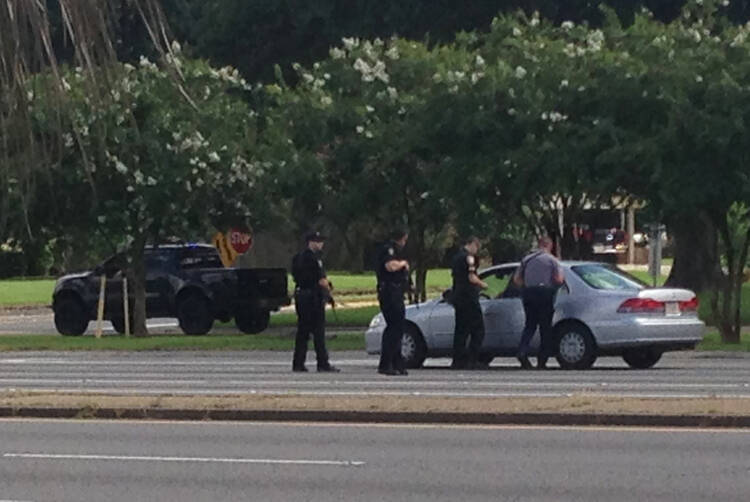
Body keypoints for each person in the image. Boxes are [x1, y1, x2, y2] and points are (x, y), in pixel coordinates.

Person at [513, 236, 565, 369]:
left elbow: (517, 280)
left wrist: (527, 286)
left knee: (530, 325)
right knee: (545, 328)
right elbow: (559, 280)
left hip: (529, 293)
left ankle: (522, 351)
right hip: (545, 294)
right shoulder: (552, 260)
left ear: (539, 245)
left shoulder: (526, 259)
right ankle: (542, 360)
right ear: (550, 246)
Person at [291, 231, 340, 373]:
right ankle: (322, 363)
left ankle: (298, 363)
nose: (321, 244)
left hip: (301, 296)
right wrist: (329, 288)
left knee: (303, 332)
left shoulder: (297, 257)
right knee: (318, 332)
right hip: (313, 298)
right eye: (318, 241)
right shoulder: (314, 259)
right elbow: (321, 280)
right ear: (311, 242)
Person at [450, 236, 489, 370]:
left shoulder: (456, 258)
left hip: (458, 297)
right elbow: (471, 277)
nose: (476, 251)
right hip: (469, 298)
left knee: (461, 330)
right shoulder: (469, 258)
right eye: (477, 247)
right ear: (472, 244)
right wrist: (483, 284)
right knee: (478, 330)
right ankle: (472, 359)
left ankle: (457, 360)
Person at [376, 228, 410, 376]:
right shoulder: (389, 250)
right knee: (394, 328)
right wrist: (402, 264)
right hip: (389, 292)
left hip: (396, 291)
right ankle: (386, 364)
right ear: (402, 238)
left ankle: (397, 363)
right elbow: (390, 267)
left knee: (398, 328)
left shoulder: (396, 251)